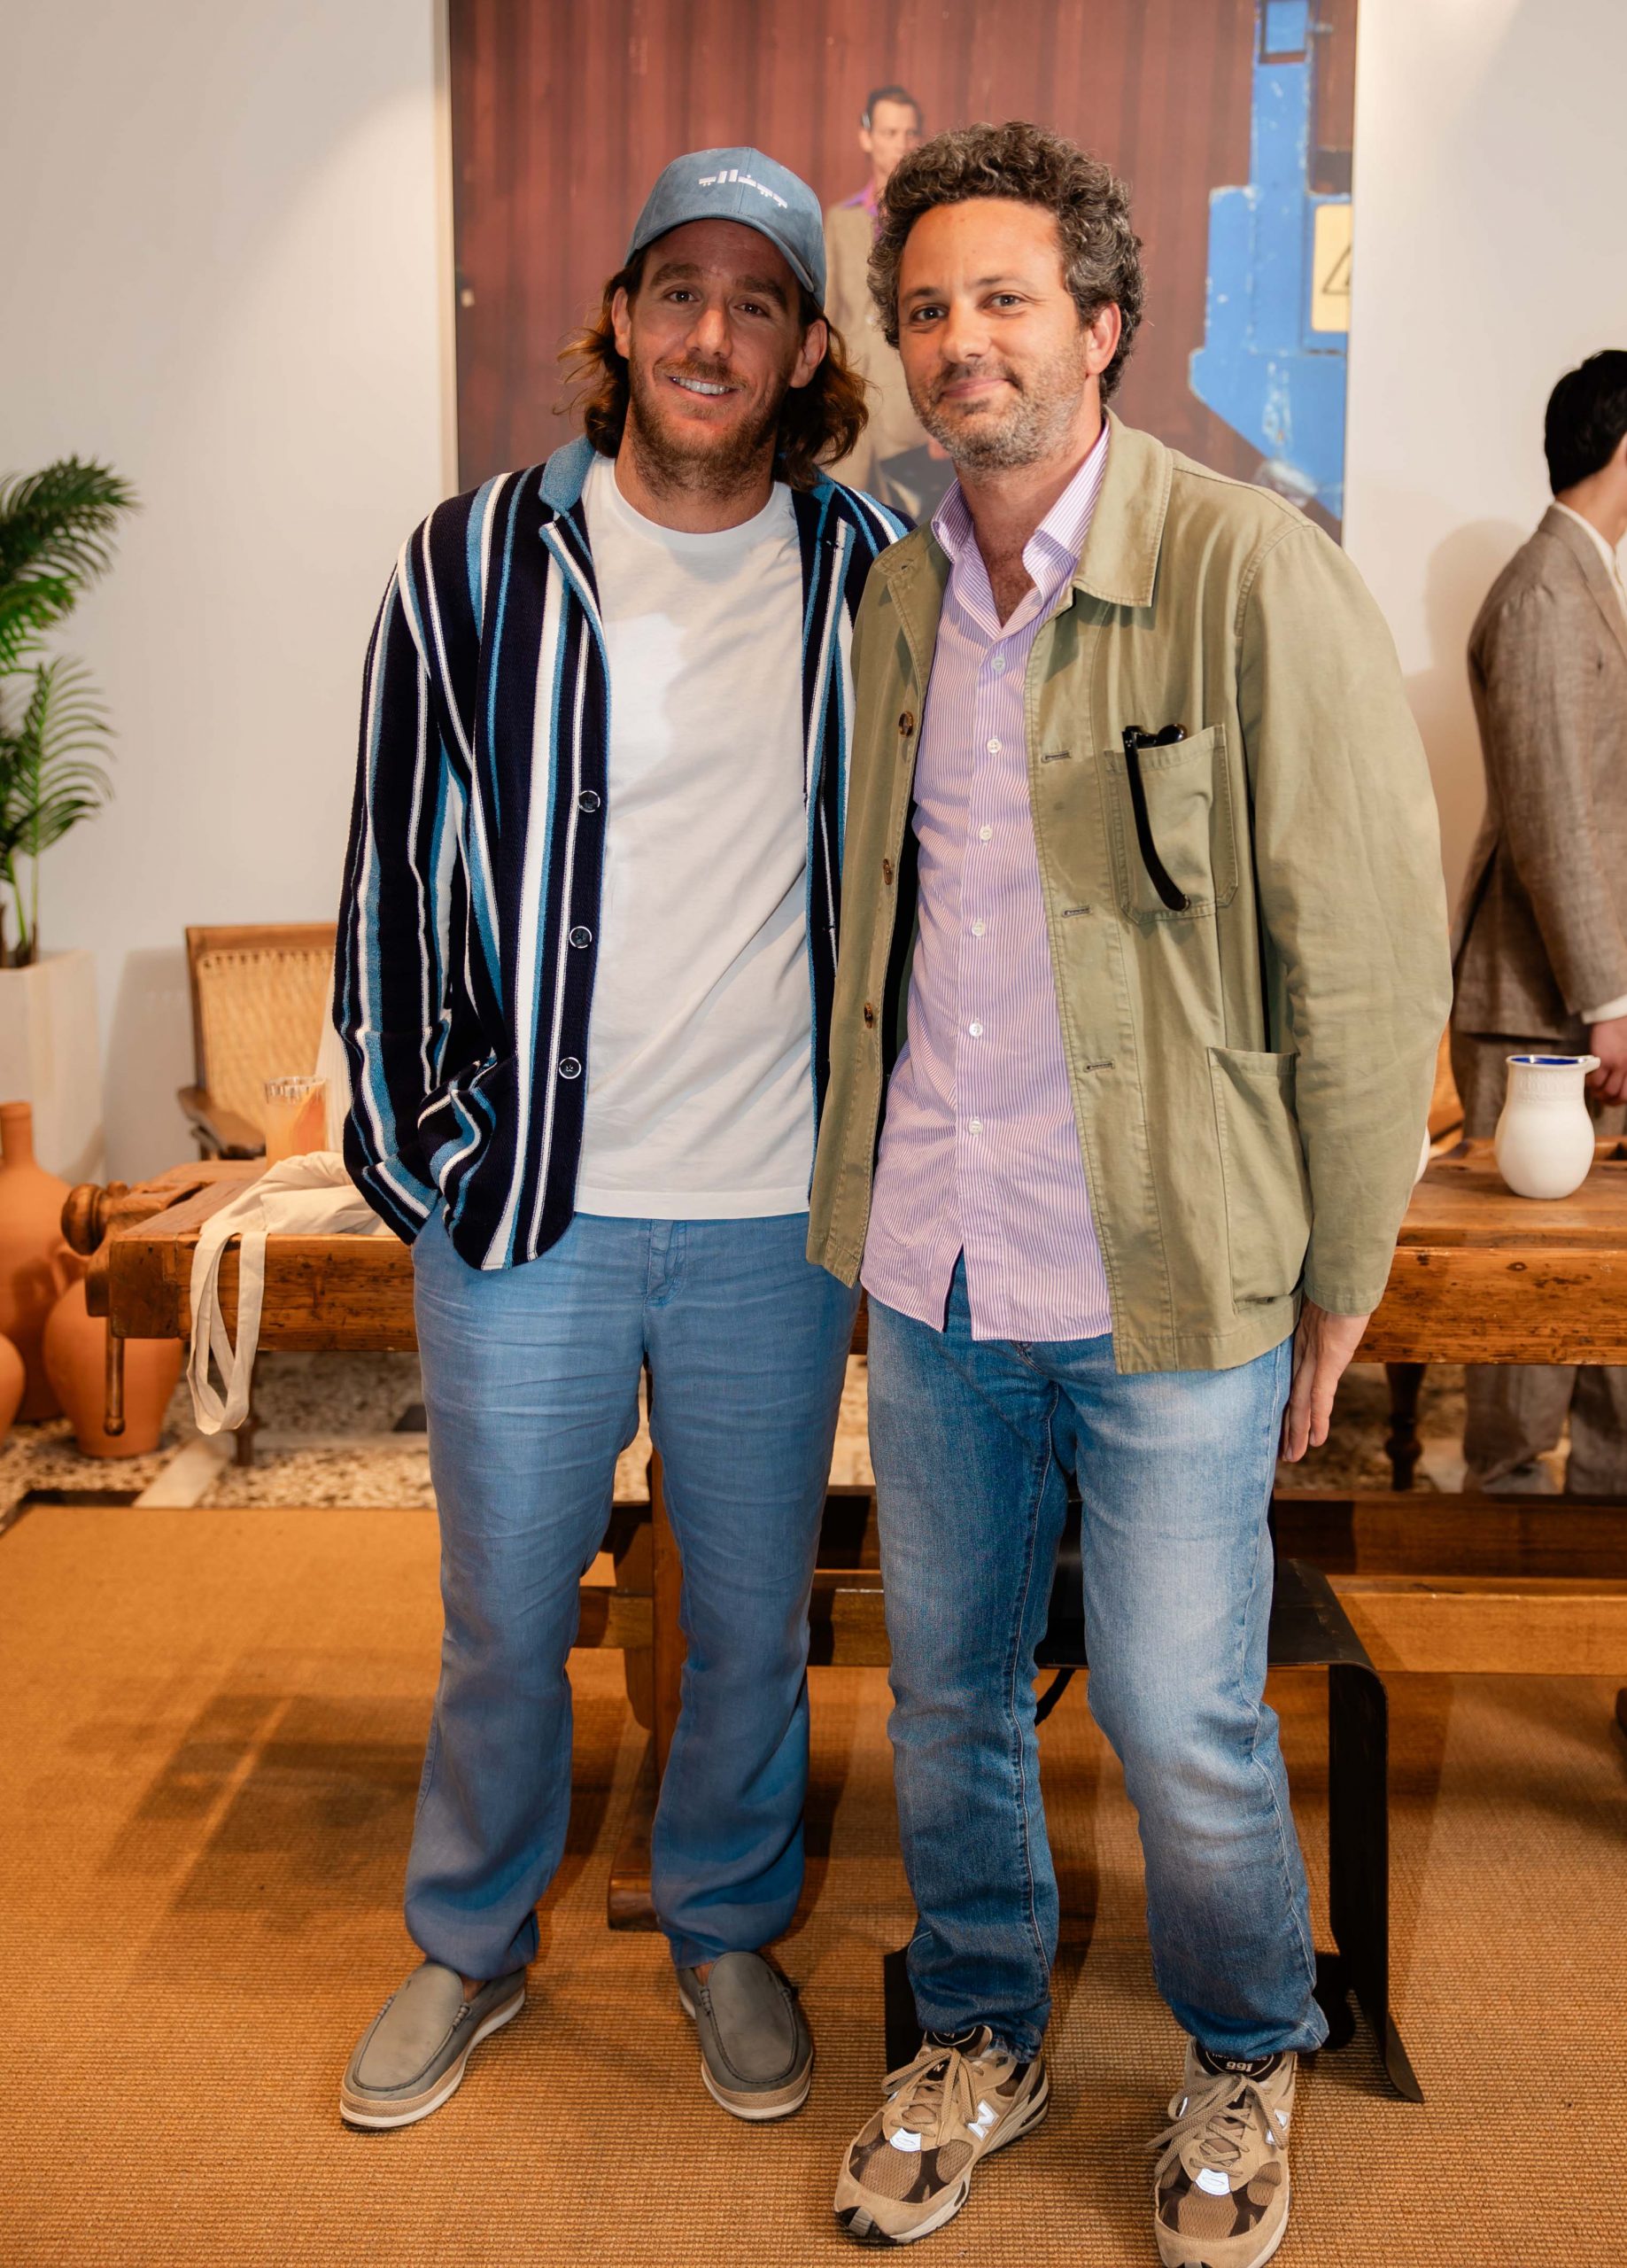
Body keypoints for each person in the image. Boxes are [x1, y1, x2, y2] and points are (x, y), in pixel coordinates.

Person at [807, 122, 1450, 2263]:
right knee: (948, 1694)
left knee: (1180, 1711)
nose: (958, 341)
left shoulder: (1253, 570)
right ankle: (978, 2029)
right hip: (937, 1257)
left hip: (1173, 1269)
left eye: (1002, 299)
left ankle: (1247, 2045)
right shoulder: (902, 590)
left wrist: (1340, 1273)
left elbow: (1364, 954)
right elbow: (889, 929)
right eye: (924, 308)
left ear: (1100, 325)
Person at [332, 145, 903, 2132]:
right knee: (503, 1618)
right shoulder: (472, 563)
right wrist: (425, 1155)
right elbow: (391, 872)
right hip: (529, 1215)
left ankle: (725, 1923)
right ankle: (470, 1940)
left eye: (757, 303)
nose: (710, 335)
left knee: (747, 1619)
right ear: (622, 316)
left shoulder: (876, 575)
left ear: (808, 349)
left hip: (770, 1216)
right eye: (679, 292)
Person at [1452, 350, 1627, 1497]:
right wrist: (1609, 1003)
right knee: (1521, 1305)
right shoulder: (1544, 592)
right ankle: (1499, 1552)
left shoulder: (1584, 580)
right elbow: (1554, 816)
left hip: (1581, 998)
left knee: (1606, 1295)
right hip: (1539, 1002)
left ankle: (1598, 1548)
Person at [824, 84, 950, 522]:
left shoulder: (933, 223)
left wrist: (940, 417)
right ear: (867, 137)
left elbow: (942, 319)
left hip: (907, 414)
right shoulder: (840, 221)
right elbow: (827, 319)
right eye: (890, 132)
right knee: (844, 527)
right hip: (851, 409)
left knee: (908, 532)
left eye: (910, 133)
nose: (900, 144)